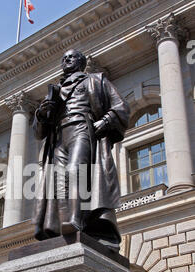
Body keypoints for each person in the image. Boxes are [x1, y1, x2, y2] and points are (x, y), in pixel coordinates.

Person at [32, 49, 130, 251]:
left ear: (82, 62)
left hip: (81, 129)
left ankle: (76, 221)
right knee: (59, 181)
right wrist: (42, 114)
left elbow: (121, 106)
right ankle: (63, 224)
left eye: (72, 57)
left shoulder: (95, 80)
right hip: (58, 138)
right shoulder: (54, 92)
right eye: (64, 58)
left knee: (76, 171)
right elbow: (38, 132)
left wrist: (105, 121)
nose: (67, 59)